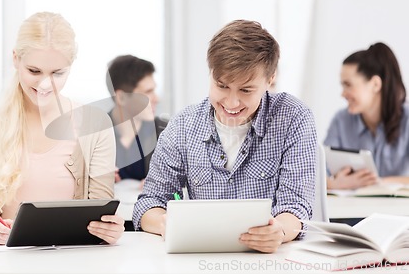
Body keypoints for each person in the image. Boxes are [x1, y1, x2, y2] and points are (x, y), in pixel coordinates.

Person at [132, 19, 317, 253]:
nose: (231, 102)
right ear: (211, 73)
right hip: (202, 259)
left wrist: (279, 231)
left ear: (270, 80)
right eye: (222, 86)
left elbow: (296, 206)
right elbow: (149, 203)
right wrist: (166, 223)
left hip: (271, 261)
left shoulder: (293, 117)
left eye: (246, 90)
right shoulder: (183, 125)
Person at [0, 12, 124, 245]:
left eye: (57, 73)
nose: (45, 84)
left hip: (74, 261)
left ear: (71, 66)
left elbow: (99, 211)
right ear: (16, 59)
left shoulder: (96, 125)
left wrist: (108, 229)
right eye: (34, 71)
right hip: (1, 261)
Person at [324, 42, 409, 190]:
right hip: (352, 211)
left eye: (348, 85)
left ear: (375, 84)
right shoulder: (341, 121)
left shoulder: (406, 120)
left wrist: (379, 182)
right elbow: (315, 171)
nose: (343, 94)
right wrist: (334, 184)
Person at [106, 55, 168, 183]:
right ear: (121, 98)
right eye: (148, 92)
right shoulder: (93, 135)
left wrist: (162, 183)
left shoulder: (167, 132)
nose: (156, 99)